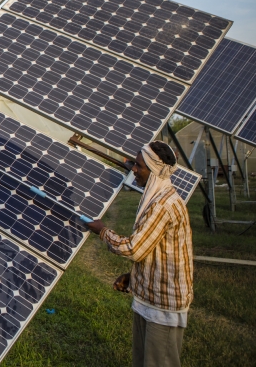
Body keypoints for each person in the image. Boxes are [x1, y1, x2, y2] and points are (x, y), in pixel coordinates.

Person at [87, 141, 193, 367]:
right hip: (150, 298)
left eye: (139, 165)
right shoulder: (156, 199)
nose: (133, 169)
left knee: (159, 363)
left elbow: (134, 248)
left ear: (154, 170)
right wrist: (133, 276)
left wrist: (103, 232)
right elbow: (153, 250)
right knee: (143, 361)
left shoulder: (163, 205)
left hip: (163, 304)